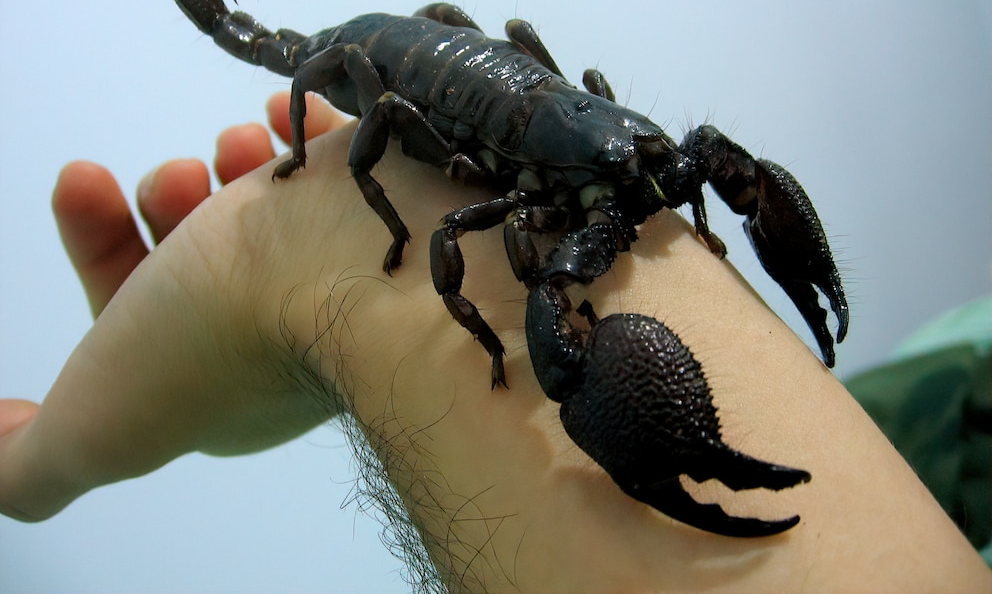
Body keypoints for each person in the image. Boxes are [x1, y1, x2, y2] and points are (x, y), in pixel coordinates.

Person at [0, 92, 988, 593]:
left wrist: (304, 284)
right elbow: (480, 242)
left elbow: (710, 168)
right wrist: (324, 277)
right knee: (533, 267)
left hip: (561, 121)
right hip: (462, 110)